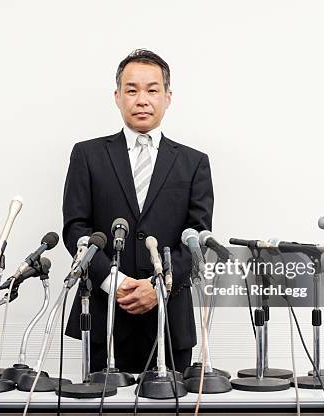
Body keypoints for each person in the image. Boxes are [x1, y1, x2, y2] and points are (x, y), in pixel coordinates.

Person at [62, 49, 214, 374]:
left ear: (168, 97)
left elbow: (197, 240)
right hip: (105, 314)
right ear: (117, 97)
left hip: (170, 318)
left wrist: (159, 287)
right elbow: (76, 228)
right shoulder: (87, 155)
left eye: (152, 89)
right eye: (132, 90)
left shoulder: (193, 163)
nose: (142, 99)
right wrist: (113, 281)